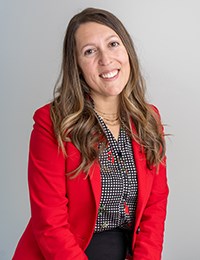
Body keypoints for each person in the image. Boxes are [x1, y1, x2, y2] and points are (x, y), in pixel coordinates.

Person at [12, 7, 169, 260]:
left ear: (127, 49)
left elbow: (156, 204)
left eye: (113, 44)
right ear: (77, 65)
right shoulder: (52, 122)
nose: (106, 59)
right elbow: (50, 224)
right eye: (89, 51)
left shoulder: (149, 119)